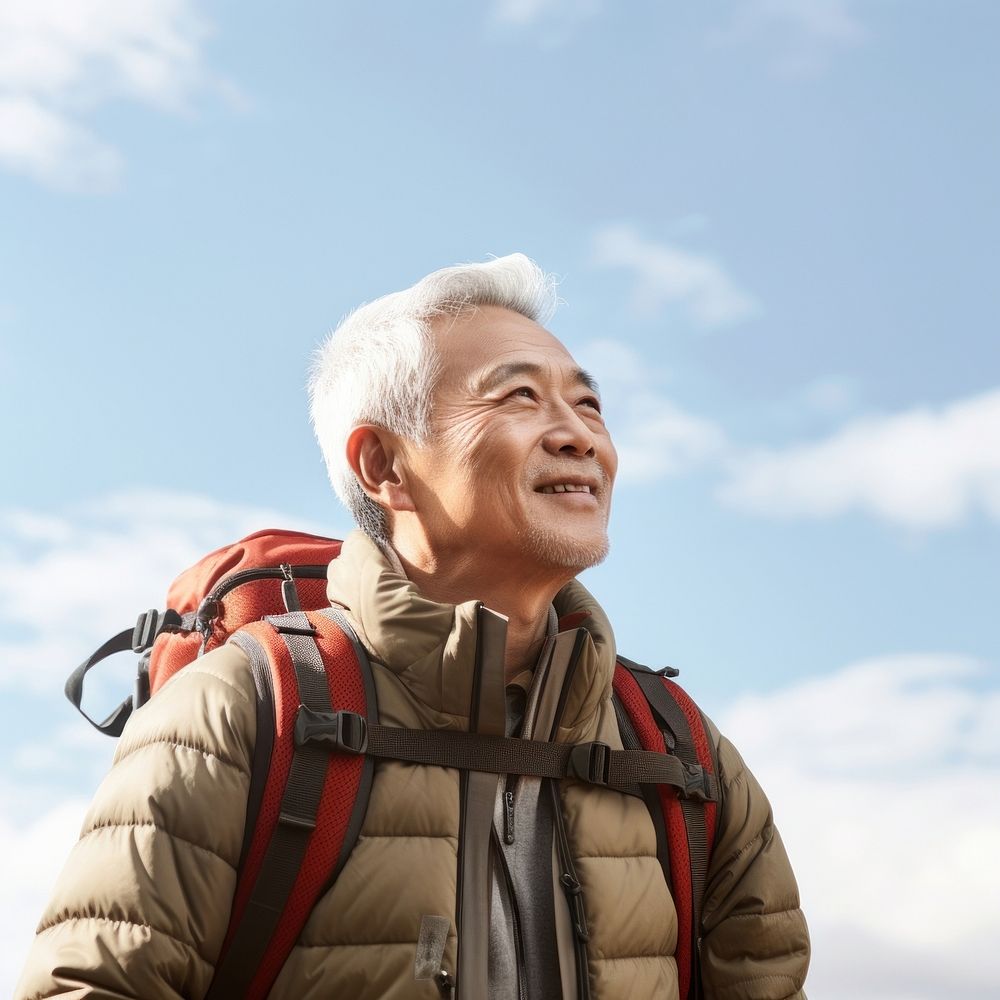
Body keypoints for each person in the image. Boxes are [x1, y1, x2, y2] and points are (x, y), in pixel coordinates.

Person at [17, 254, 809, 999]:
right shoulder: (239, 711)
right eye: (519, 396)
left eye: (589, 402)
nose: (580, 434)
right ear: (383, 466)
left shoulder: (677, 748)